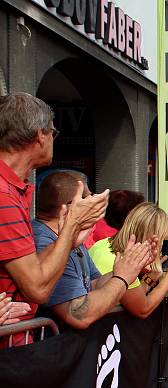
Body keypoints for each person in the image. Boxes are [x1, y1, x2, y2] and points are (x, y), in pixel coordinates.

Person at [0, 92, 109, 344]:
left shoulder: (14, 188)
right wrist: (72, 224)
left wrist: (69, 239)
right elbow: (38, 288)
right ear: (40, 134)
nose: (53, 140)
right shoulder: (4, 194)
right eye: (53, 133)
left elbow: (32, 271)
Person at [33, 173, 154, 329]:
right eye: (89, 198)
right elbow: (80, 315)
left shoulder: (71, 236)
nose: (95, 202)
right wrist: (122, 278)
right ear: (72, 206)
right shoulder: (44, 241)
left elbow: (94, 283)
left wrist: (130, 265)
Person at [89, 202, 168, 318]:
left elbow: (133, 296)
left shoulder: (103, 245)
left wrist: (152, 276)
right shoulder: (120, 263)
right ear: (149, 237)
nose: (161, 247)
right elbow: (142, 309)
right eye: (162, 241)